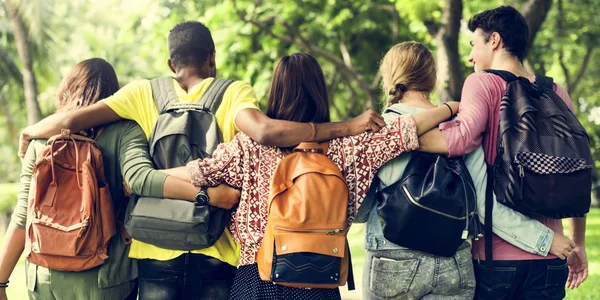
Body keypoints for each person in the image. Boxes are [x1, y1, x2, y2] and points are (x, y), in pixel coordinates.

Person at [17, 21, 387, 299]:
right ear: (212, 58)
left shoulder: (142, 92)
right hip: (216, 252)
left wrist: (32, 130)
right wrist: (347, 125)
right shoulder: (233, 91)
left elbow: (69, 119)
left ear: (170, 61)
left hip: (154, 251)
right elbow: (264, 133)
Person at [163, 53, 460, 300]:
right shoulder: (350, 148)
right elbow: (405, 130)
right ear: (320, 91)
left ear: (276, 91)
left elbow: (197, 172)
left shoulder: (247, 147)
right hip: (320, 282)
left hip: (256, 281)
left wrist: (147, 177)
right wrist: (451, 107)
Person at [357, 41, 579, 300]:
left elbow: (361, 210)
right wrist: (545, 238)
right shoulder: (461, 126)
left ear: (390, 76)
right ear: (432, 77)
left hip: (391, 257)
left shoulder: (378, 129)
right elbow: (484, 204)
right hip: (452, 259)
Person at [0, 58, 206, 300]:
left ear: (66, 89)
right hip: (107, 279)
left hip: (45, 277)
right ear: (112, 95)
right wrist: (204, 192)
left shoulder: (41, 141)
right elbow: (140, 179)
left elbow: (23, 216)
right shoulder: (126, 131)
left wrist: (1, 281)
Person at [418, 6, 588, 299]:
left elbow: (459, 139)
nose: (470, 56)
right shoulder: (556, 92)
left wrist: (401, 134)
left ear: (494, 40)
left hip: (498, 257)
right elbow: (575, 168)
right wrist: (578, 242)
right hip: (552, 256)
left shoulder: (482, 82)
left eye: (474, 44)